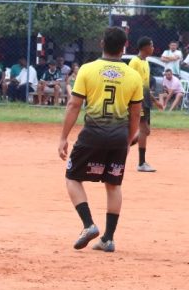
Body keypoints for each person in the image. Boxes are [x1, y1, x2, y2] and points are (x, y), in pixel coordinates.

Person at [58, 26, 143, 253]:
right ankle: (108, 238)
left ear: (102, 44)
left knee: (72, 177)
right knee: (113, 184)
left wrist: (64, 137)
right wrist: (127, 138)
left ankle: (88, 225)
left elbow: (74, 104)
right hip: (118, 136)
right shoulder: (133, 75)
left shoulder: (87, 70)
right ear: (125, 47)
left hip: (92, 134)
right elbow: (136, 114)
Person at [128, 36, 160, 172]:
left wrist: (155, 100)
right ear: (145, 47)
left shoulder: (145, 62)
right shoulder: (134, 62)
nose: (153, 48)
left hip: (145, 100)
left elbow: (145, 85)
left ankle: (126, 143)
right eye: (151, 45)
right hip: (138, 101)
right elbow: (129, 82)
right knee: (144, 130)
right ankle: (141, 163)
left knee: (145, 131)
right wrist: (133, 102)